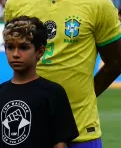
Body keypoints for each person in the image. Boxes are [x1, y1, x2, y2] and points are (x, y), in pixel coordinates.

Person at [4, 0, 121, 148]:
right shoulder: (17, 3)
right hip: (28, 129)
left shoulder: (97, 3)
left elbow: (115, 62)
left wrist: (84, 97)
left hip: (81, 131)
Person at [0, 16, 79, 148]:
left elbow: (60, 143)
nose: (15, 54)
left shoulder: (53, 92)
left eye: (24, 47)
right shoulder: (2, 92)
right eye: (10, 47)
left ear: (40, 51)